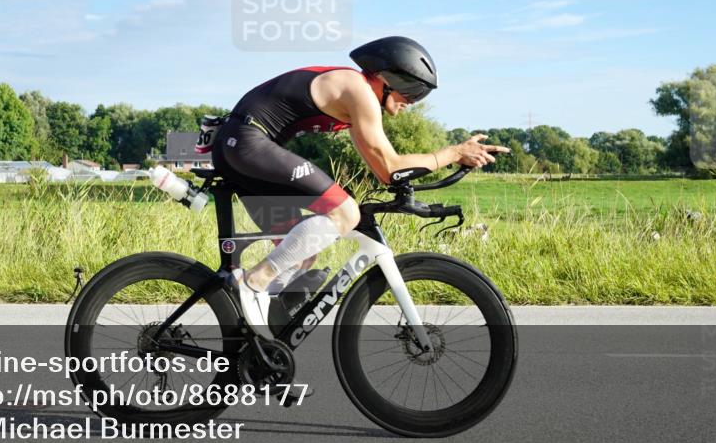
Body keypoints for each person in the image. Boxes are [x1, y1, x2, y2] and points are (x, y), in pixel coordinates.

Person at [210, 36, 508, 333]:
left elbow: (384, 172)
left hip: (241, 148)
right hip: (248, 144)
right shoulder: (358, 90)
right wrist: (453, 152)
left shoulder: (355, 97)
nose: (413, 102)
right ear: (388, 78)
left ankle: (252, 339)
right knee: (345, 213)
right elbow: (391, 167)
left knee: (301, 253)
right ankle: (253, 283)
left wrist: (453, 158)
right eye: (413, 92)